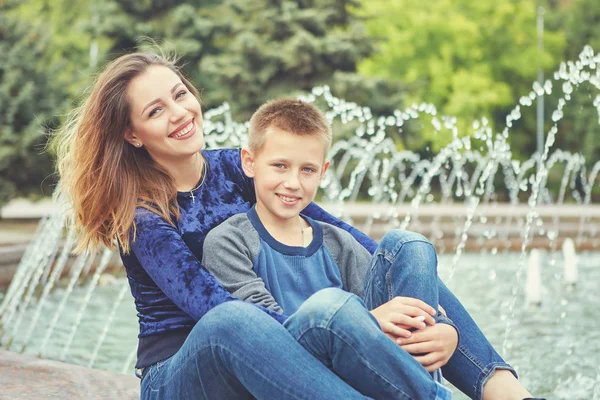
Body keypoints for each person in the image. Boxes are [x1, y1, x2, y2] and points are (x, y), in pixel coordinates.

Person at [53, 51, 541, 400]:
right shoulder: (142, 216)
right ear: (131, 134)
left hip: (286, 339)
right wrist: (360, 323)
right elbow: (214, 305)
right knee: (234, 320)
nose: (180, 113)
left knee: (401, 248)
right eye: (156, 111)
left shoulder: (236, 167)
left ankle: (502, 390)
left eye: (180, 94)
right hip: (190, 371)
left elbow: (347, 239)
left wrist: (444, 328)